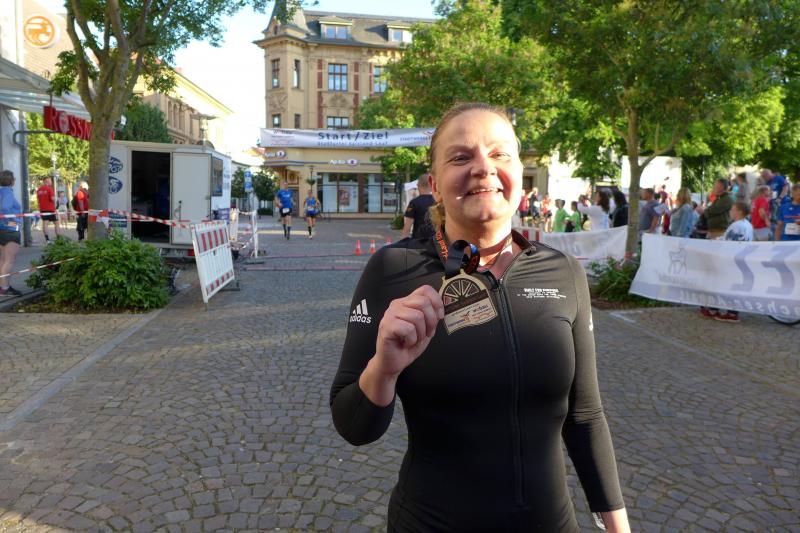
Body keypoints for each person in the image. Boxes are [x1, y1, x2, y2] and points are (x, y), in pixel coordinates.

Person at [330, 102, 630, 532]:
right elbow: (353, 426)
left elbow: (585, 416)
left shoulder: (563, 272)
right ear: (435, 184)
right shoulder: (393, 270)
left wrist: (618, 527)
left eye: (499, 153)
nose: (483, 167)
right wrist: (384, 368)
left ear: (519, 175)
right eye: (460, 157)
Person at [700, 201, 754, 323]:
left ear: (739, 211)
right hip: (740, 260)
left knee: (721, 283)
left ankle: (720, 310)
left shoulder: (737, 226)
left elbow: (728, 243)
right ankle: (727, 311)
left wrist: (716, 244)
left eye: (732, 209)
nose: (730, 212)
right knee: (730, 285)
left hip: (731, 260)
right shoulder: (748, 225)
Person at [0, 170, 23, 297]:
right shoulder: (8, 192)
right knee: (9, 260)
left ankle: (3, 287)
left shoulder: (1, 191)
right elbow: (5, 208)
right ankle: (5, 288)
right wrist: (12, 221)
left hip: (2, 229)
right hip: (10, 231)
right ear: (12, 181)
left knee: (3, 259)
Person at [401, 174, 436, 240]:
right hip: (436, 241)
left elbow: (407, 228)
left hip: (418, 241)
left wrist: (403, 242)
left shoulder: (414, 203)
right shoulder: (438, 202)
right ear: (431, 185)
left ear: (418, 185)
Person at [36, 176, 61, 243]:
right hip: (51, 209)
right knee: (57, 223)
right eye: (50, 181)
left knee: (45, 223)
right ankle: (59, 238)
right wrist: (57, 199)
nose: (51, 182)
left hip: (42, 209)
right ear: (47, 181)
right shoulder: (49, 189)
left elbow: (38, 200)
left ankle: (47, 240)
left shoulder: (39, 190)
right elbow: (52, 199)